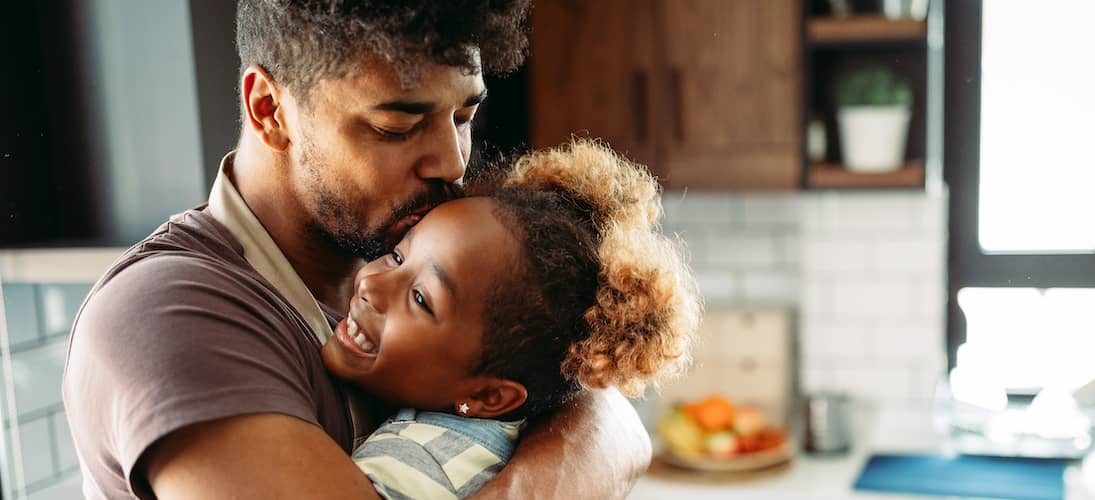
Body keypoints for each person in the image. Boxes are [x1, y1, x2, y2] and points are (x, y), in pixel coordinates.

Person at [61, 1, 652, 498]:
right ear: (270, 111)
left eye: (464, 114)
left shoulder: (402, 253)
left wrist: (589, 433)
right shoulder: (170, 313)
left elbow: (605, 412)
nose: (451, 161)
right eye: (397, 127)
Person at [324, 141, 701, 498]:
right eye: (397, 256)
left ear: (488, 396)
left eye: (421, 299)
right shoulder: (505, 433)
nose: (371, 284)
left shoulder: (409, 471)